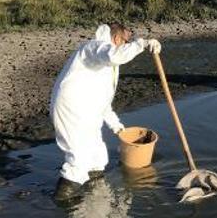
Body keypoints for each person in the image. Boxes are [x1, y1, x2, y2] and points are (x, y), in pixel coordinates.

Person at [50, 22, 161, 201]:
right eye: (125, 42)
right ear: (116, 38)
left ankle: (96, 197)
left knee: (97, 157)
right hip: (70, 108)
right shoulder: (93, 48)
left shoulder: (106, 67)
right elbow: (114, 55)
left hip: (88, 111)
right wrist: (143, 44)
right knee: (78, 159)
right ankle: (63, 203)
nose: (126, 45)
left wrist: (118, 127)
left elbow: (103, 103)